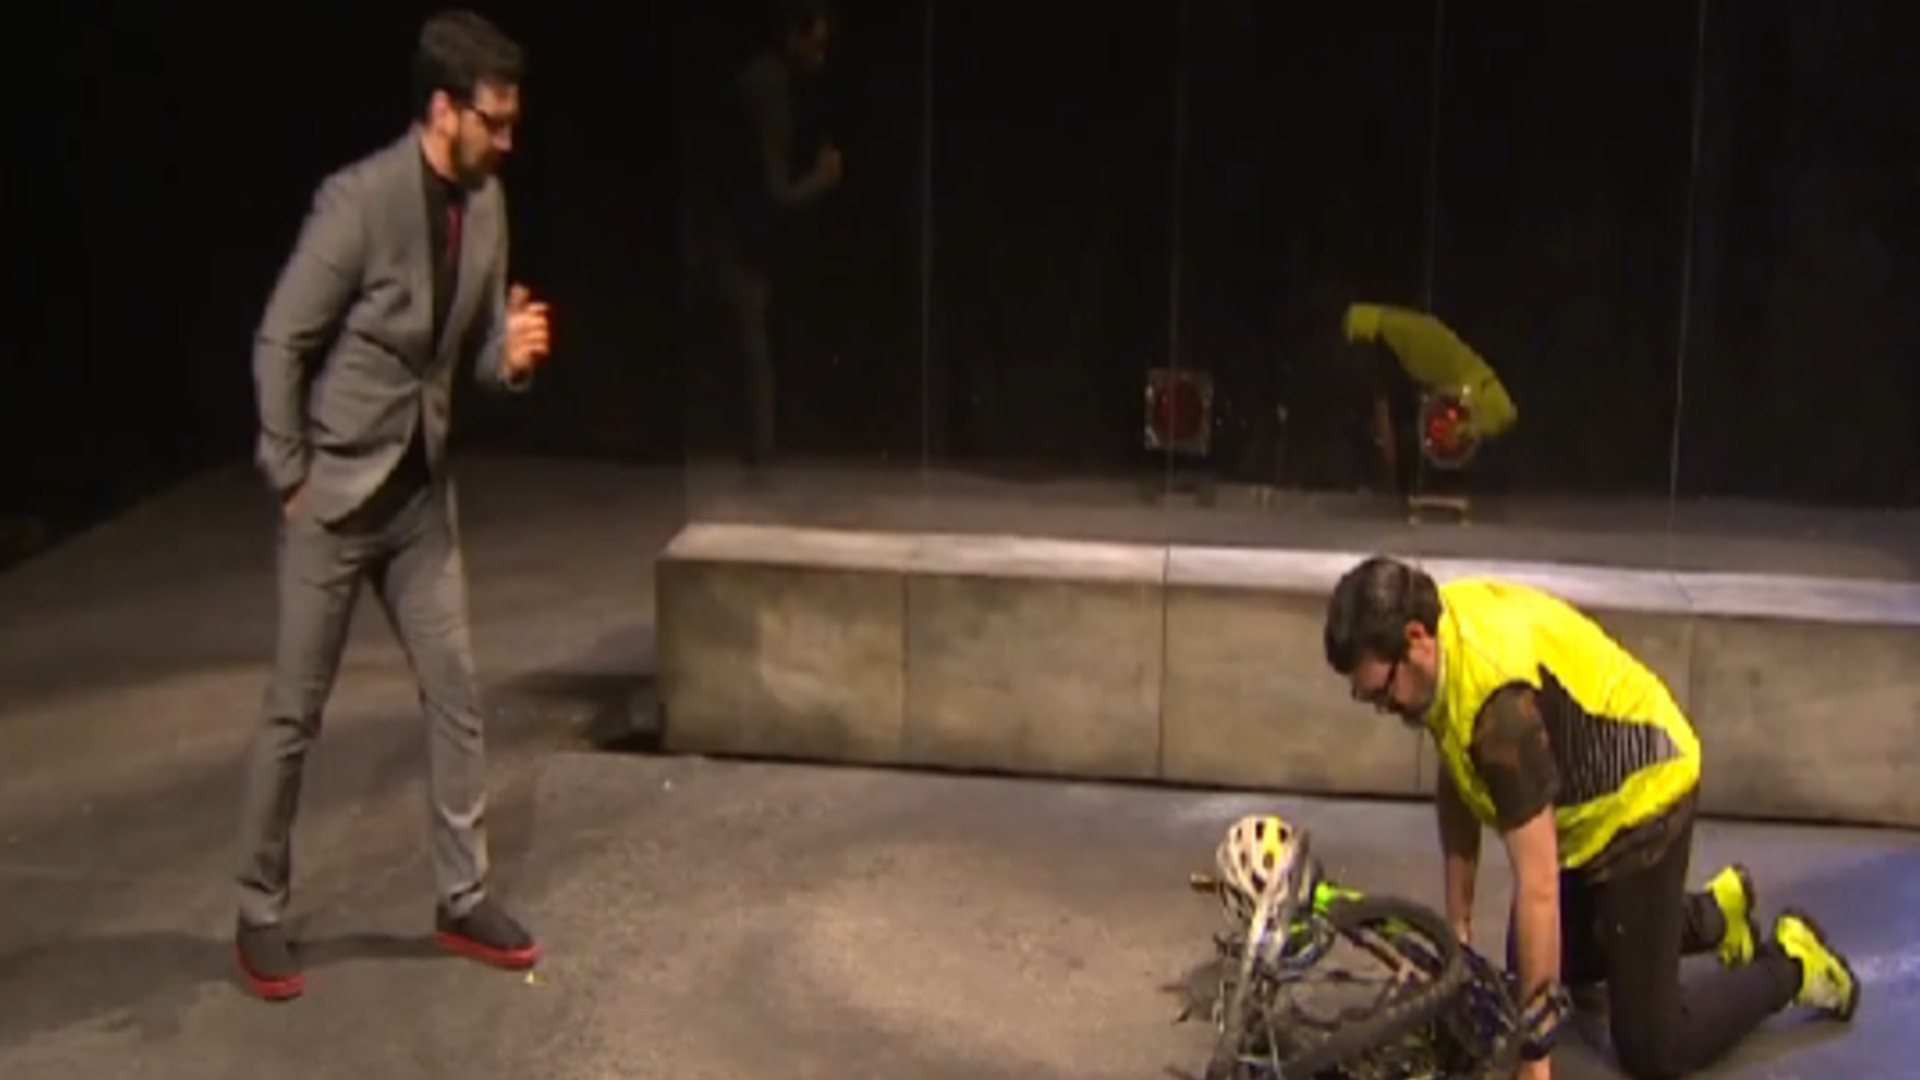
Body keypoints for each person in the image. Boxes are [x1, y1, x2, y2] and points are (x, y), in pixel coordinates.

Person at [233, 9, 552, 1001]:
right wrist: (290, 472)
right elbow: (281, 340)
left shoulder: (487, 205)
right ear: (443, 110)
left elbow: (475, 358)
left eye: (513, 122)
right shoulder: (358, 202)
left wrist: (512, 357)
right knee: (295, 712)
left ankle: (463, 896)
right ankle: (257, 909)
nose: (508, 140)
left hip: (419, 497)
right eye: (494, 121)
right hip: (334, 496)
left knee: (456, 689)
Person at [1320, 556, 1859, 1080]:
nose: (1381, 707)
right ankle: (1716, 915)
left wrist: (1535, 1059)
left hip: (1643, 802)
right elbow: (1457, 780)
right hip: (1584, 811)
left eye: (1381, 693)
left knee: (1653, 1044)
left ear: (1415, 638)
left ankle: (1792, 962)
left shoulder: (1501, 712)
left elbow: (1538, 885)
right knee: (1530, 966)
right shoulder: (1442, 644)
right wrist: (1456, 934)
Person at [680, 0, 843, 468]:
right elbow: (776, 192)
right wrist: (823, 179)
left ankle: (757, 452)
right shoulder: (766, 89)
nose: (820, 56)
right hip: (729, 236)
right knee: (751, 346)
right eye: (814, 44)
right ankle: (759, 457)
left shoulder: (772, 84)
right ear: (792, 37)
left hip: (737, 234)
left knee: (750, 343)